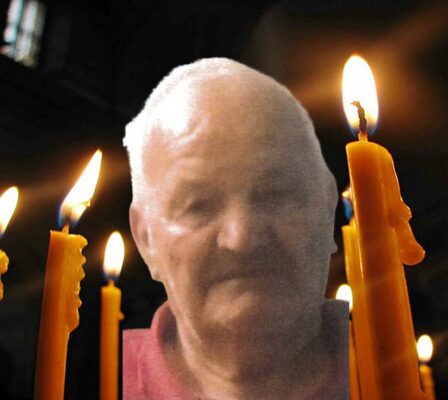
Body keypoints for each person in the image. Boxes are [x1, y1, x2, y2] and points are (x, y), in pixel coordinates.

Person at [122, 58, 348, 399]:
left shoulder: (392, 367)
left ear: (327, 209)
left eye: (275, 194)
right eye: (198, 205)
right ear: (146, 239)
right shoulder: (98, 379)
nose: (241, 238)